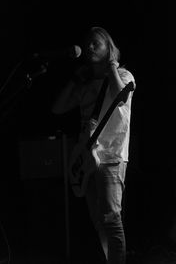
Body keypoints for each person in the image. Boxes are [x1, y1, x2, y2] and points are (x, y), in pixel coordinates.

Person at [52, 26, 136, 264]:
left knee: (112, 218)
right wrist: (74, 80)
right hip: (87, 157)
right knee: (98, 220)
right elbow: (57, 108)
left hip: (111, 156)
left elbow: (121, 97)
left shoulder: (125, 76)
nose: (88, 48)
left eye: (95, 44)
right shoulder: (85, 84)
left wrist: (111, 67)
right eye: (86, 43)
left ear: (109, 48)